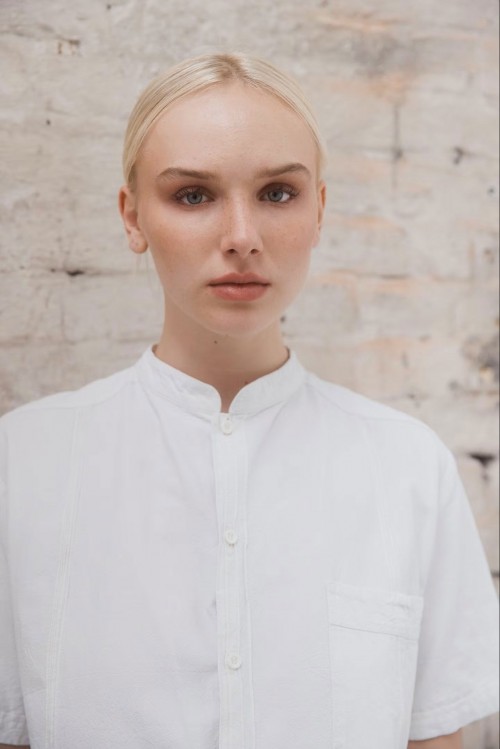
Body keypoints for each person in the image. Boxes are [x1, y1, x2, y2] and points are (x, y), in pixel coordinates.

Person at [0, 52, 498, 749]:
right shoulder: (25, 466)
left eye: (277, 193)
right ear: (133, 216)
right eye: (193, 196)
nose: (242, 237)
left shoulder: (408, 468)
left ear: (319, 210)